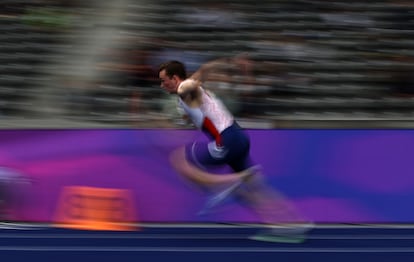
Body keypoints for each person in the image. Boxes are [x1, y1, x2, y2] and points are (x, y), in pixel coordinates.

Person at [158, 57, 313, 242]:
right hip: (238, 137)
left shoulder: (184, 87)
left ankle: (226, 183)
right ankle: (290, 223)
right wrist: (228, 64)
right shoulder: (187, 94)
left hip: (226, 140)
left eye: (163, 80)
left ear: (174, 78)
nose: (161, 85)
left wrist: (206, 76)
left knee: (178, 159)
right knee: (255, 188)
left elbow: (197, 78)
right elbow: (205, 70)